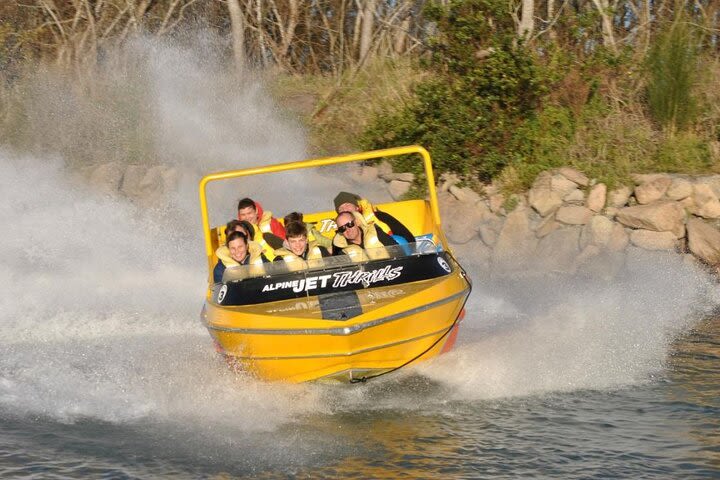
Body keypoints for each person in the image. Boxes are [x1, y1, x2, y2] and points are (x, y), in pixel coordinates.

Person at [332, 191, 414, 244]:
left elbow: (408, 237)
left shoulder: (380, 216)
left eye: (348, 205)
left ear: (357, 207)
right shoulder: (341, 232)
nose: (345, 209)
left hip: (394, 256)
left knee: (399, 240)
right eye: (341, 209)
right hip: (365, 266)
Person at [332, 210, 398, 261]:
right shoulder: (341, 250)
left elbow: (397, 250)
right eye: (342, 228)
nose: (347, 230)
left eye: (350, 224)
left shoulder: (375, 232)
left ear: (357, 222)